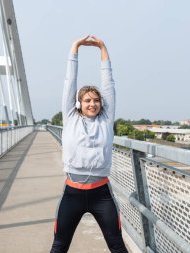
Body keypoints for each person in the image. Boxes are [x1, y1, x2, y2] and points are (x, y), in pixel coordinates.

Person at [50, 35, 128, 253]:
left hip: (101, 194)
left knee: (116, 244)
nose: (92, 104)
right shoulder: (70, 117)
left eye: (96, 100)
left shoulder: (106, 119)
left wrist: (102, 48)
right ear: (78, 103)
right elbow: (69, 82)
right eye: (87, 100)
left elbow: (109, 83)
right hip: (72, 193)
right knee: (59, 245)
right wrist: (75, 47)